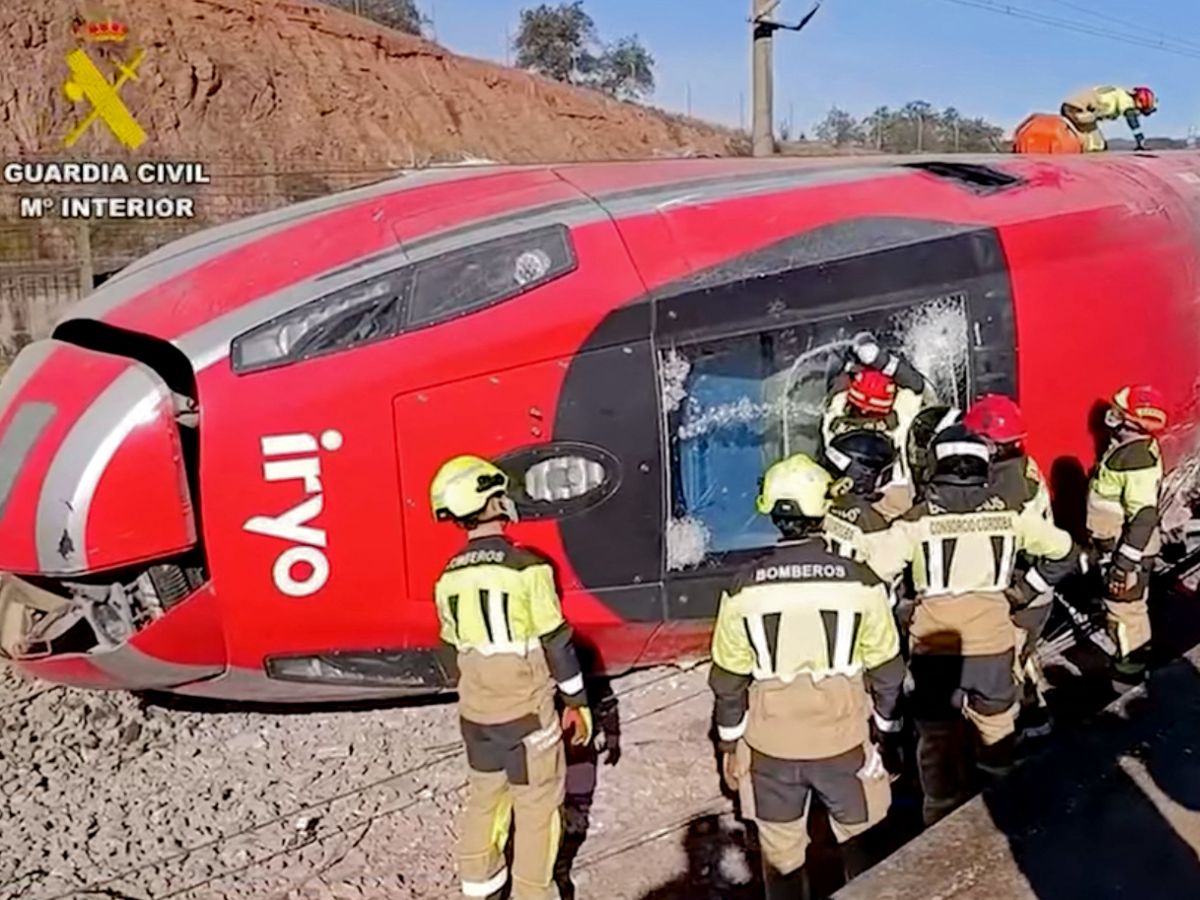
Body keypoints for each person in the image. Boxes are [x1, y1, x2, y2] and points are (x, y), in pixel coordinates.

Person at [708, 453, 905, 897]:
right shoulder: (863, 582)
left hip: (770, 751)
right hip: (845, 745)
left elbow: (729, 681)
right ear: (823, 511)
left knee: (782, 866)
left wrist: (729, 744)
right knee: (865, 855)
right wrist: (887, 733)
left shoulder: (742, 587)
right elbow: (887, 671)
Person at [869, 425, 1081, 826]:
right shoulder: (1009, 514)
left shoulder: (916, 520)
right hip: (993, 644)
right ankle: (1003, 812)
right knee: (997, 730)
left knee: (936, 738)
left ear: (937, 466)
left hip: (934, 649)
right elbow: (1065, 553)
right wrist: (1022, 592)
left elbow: (873, 576)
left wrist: (903, 609)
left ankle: (938, 817)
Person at [430, 454, 594, 900]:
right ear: (491, 502)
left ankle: (480, 887)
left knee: (485, 799)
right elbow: (557, 641)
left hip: (476, 715)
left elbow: (449, 648)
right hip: (526, 714)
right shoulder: (528, 568)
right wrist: (577, 702)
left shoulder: (447, 577)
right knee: (538, 807)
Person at [963, 394, 1056, 739]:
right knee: (1022, 655)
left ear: (991, 443)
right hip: (1035, 588)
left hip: (1023, 587)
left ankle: (1014, 735)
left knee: (1005, 668)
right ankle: (1035, 717)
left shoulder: (1004, 490)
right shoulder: (1021, 466)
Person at [1087, 385, 1168, 680]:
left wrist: (1123, 565)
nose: (1112, 417)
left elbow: (1144, 516)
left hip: (1127, 552)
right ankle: (1135, 662)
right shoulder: (1132, 449)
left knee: (1124, 611)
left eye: (1118, 413)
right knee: (1132, 606)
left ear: (1133, 423)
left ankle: (1129, 672)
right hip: (1121, 547)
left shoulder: (1135, 461)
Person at [822, 332, 930, 518]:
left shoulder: (832, 426)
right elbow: (916, 385)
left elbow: (837, 390)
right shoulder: (900, 425)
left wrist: (853, 369)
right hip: (896, 503)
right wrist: (879, 361)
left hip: (844, 507)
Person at [1060, 85, 1157, 152]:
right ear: (1139, 101)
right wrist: (1140, 140)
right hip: (1076, 110)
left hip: (1073, 109)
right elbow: (1131, 118)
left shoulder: (1117, 93)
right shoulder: (1125, 99)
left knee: (1095, 139)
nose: (1138, 113)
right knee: (1097, 146)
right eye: (1139, 110)